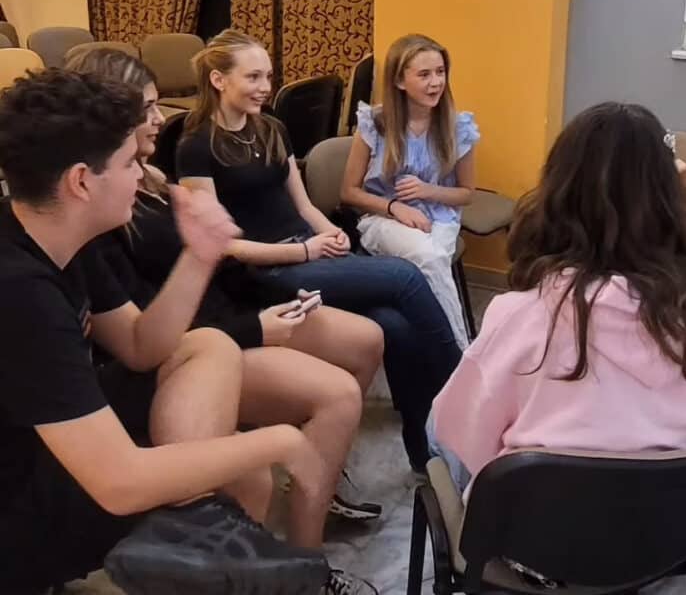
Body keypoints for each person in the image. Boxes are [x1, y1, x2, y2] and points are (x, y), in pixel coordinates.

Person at [0, 69, 369, 595]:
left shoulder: (52, 233)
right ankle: (194, 542)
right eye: (130, 163)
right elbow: (118, 483)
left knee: (207, 345)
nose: (141, 174)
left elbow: (140, 346)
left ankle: (192, 537)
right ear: (81, 181)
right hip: (19, 512)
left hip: (52, 443)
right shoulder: (19, 293)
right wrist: (279, 441)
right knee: (245, 472)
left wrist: (200, 254)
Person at [66, 46, 385, 523]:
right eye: (147, 108)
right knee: (338, 393)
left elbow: (219, 265)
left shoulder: (153, 178)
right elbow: (150, 335)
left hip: (223, 318)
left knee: (368, 338)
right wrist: (256, 328)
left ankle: (320, 472)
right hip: (195, 344)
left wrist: (277, 298)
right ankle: (307, 540)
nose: (160, 119)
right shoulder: (105, 214)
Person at [175, 29, 461, 471]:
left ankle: (425, 454)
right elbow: (222, 246)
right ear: (218, 80)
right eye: (253, 77)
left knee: (396, 326)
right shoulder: (195, 146)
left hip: (307, 251)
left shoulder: (270, 128)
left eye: (268, 76)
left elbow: (304, 205)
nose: (266, 87)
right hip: (265, 271)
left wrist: (332, 234)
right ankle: (465, 389)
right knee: (405, 277)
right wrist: (306, 252)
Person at [431, 102, 686, 493]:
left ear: (558, 192)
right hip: (666, 524)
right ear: (669, 198)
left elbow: (468, 438)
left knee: (437, 424)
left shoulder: (522, 315)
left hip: (534, 525)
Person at [341, 34, 479, 349]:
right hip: (382, 218)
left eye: (440, 72)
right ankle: (462, 352)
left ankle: (429, 350)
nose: (436, 82)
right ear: (399, 81)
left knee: (431, 263)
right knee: (430, 258)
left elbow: (467, 194)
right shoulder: (374, 123)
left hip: (439, 217)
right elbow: (348, 192)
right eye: (424, 74)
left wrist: (429, 191)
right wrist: (394, 207)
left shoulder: (457, 126)